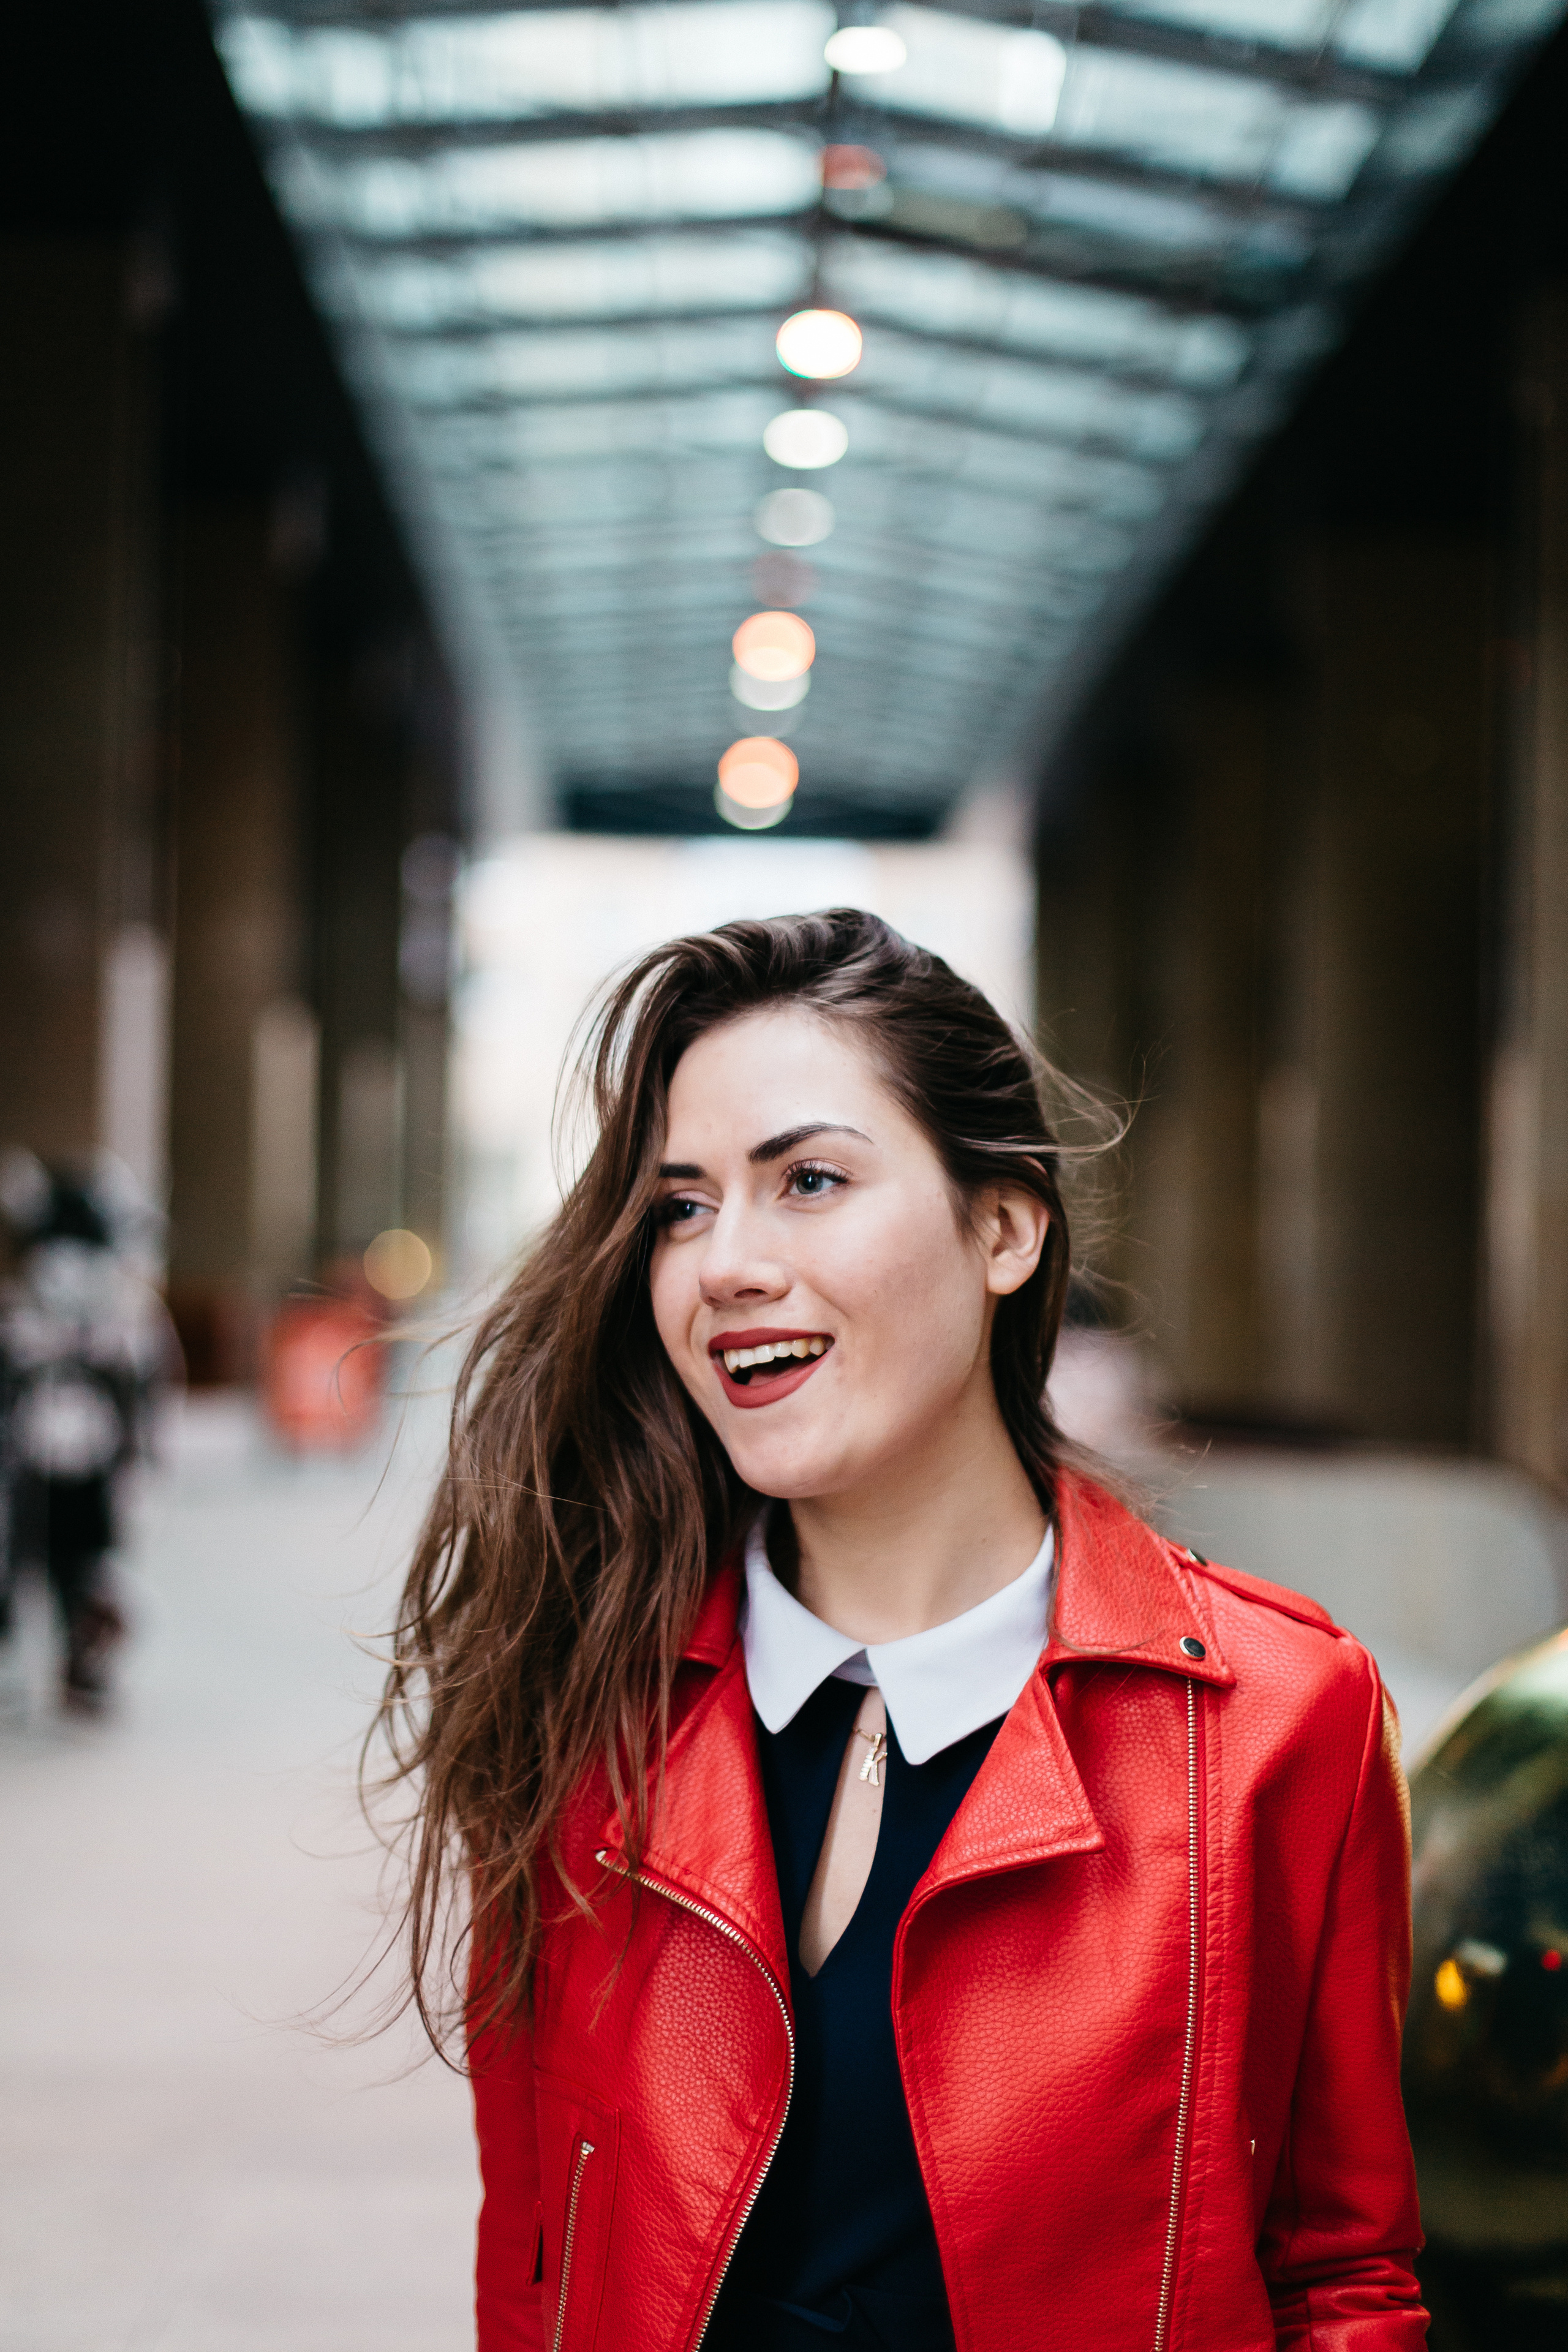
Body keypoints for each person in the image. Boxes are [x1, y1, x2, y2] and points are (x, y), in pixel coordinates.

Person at [380, 910, 1427, 2352]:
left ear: (1001, 1228)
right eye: (680, 1206)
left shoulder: (1274, 1717)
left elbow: (1343, 2280)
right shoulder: (581, 1700)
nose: (723, 1263)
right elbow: (539, 2276)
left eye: (806, 1179)